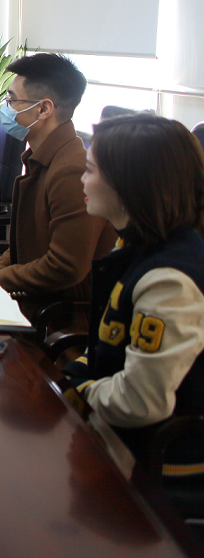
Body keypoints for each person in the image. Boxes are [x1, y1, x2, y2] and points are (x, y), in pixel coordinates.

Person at [60, 113, 204, 478]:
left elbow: (140, 401)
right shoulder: (137, 243)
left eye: (89, 170)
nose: (82, 180)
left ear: (128, 186)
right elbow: (114, 343)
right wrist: (77, 375)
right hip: (116, 430)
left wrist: (83, 389)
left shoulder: (169, 280)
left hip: (152, 463)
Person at [0, 53, 117, 302]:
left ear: (44, 109)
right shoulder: (43, 159)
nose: (6, 108)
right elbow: (28, 245)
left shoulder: (72, 172)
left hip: (56, 314)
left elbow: (64, 266)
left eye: (12, 100)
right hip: (33, 299)